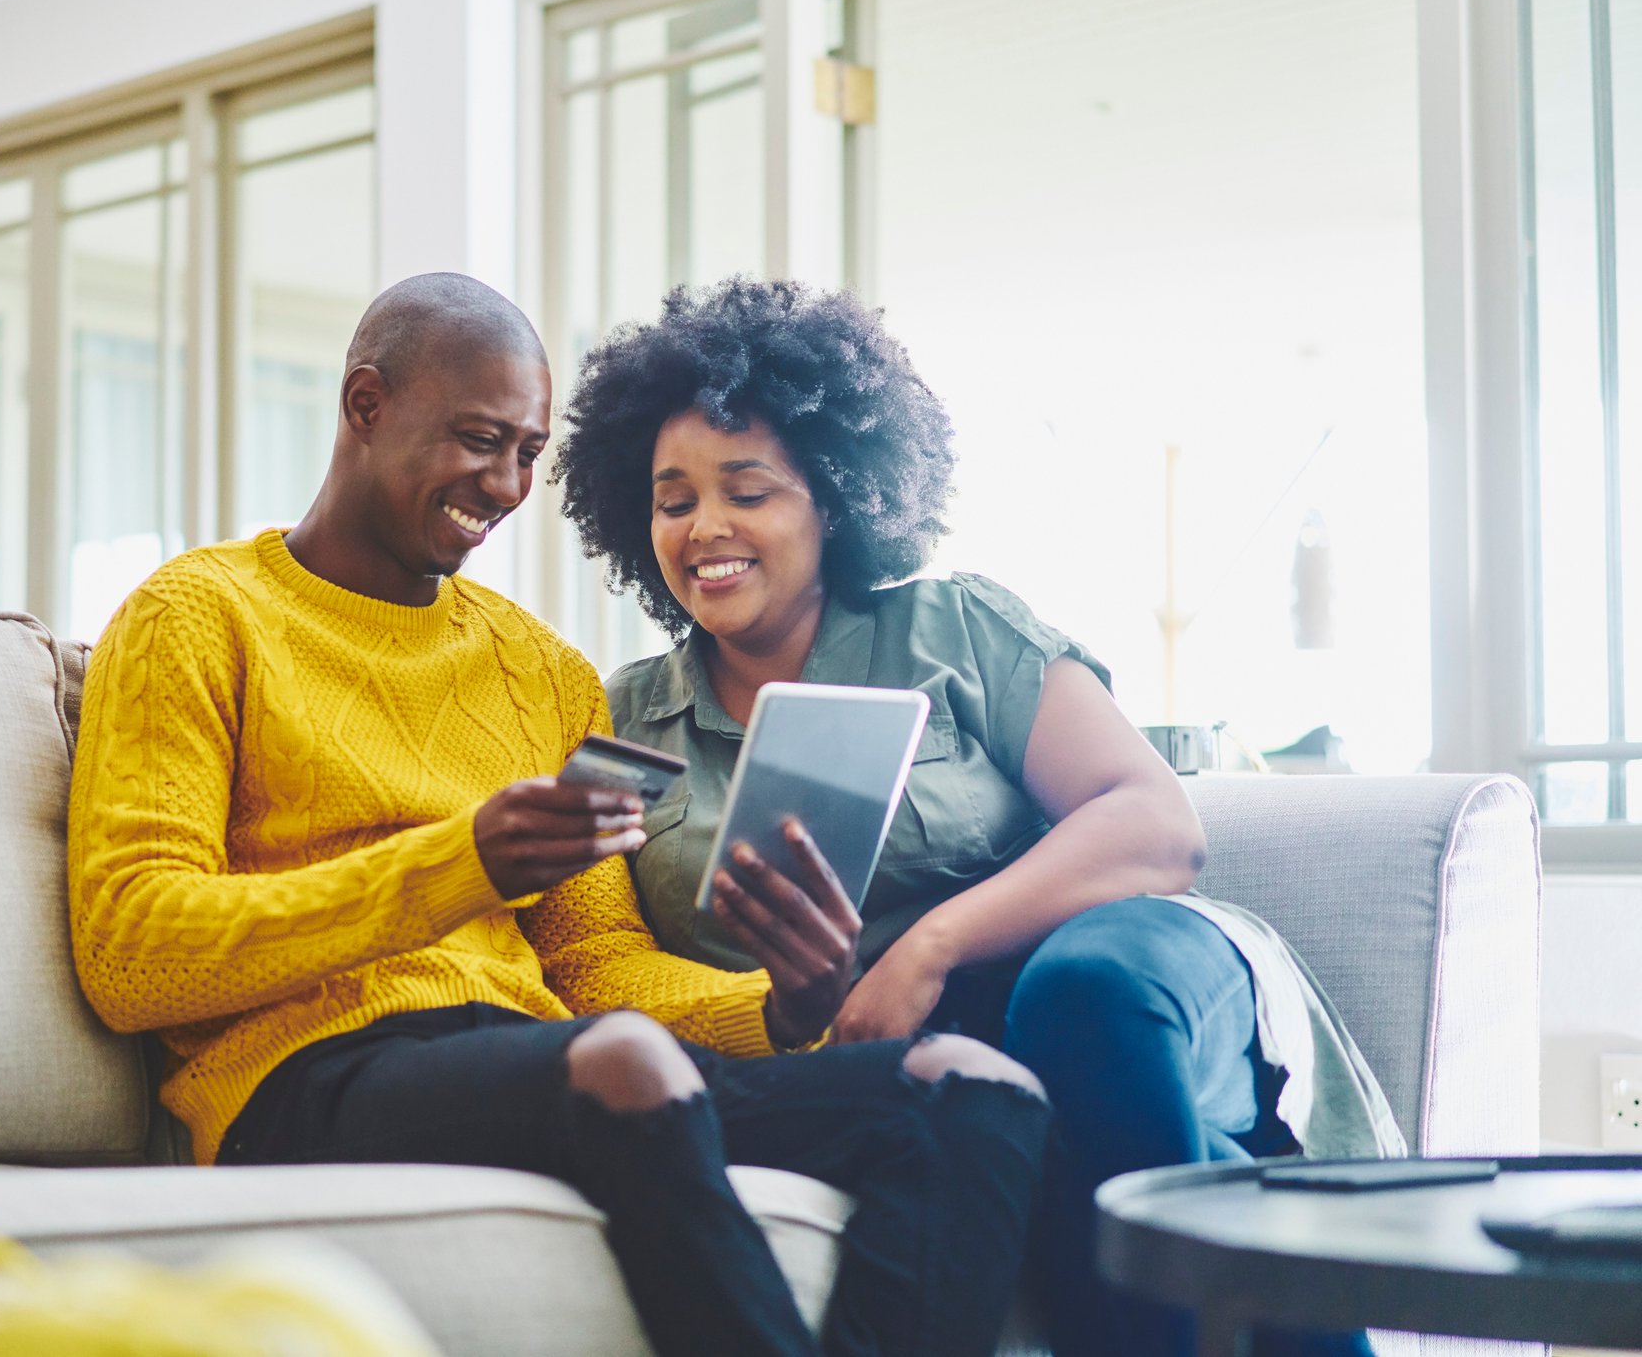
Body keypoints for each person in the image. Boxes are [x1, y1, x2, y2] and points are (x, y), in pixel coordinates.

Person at [67, 272, 1051, 1357]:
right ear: (364, 406)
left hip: (555, 1064)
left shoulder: (543, 672)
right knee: (621, 1060)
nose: (502, 483)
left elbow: (593, 964)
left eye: (529, 453)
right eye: (479, 439)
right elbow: (130, 949)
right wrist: (459, 864)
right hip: (299, 1080)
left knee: (964, 1086)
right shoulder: (195, 616)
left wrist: (776, 1007)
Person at [555, 276, 1407, 1357]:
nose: (704, 527)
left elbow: (1151, 826)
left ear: (833, 492)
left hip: (1105, 956)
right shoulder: (623, 722)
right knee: (1019, 1106)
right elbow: (589, 958)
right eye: (672, 500)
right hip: (893, 1057)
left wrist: (928, 944)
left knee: (1076, 999)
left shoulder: (953, 627)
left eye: (747, 488)